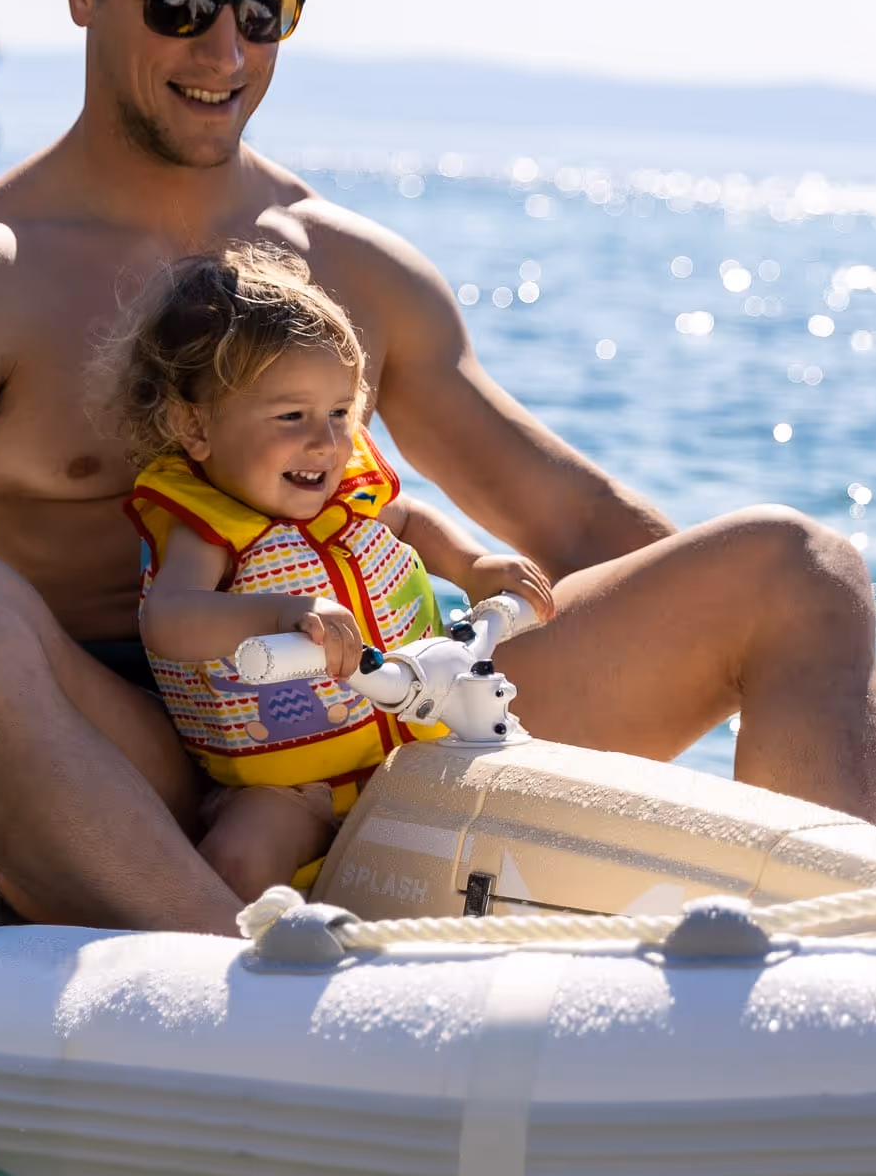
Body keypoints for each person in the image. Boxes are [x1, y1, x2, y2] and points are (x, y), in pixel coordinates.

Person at [0, 0, 876, 969]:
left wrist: (838, 694)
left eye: (261, 12)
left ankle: (847, 968)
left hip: (380, 718)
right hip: (142, 760)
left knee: (802, 566)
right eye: (179, 5)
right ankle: (232, 976)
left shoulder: (344, 266)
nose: (225, 50)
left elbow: (563, 518)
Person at [108, 242, 554, 898]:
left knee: (522, 787)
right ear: (193, 424)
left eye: (340, 413)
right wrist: (286, 612)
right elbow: (169, 620)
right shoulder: (208, 527)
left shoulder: (349, 497)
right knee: (242, 850)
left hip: (413, 754)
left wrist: (472, 563)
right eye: (292, 415)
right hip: (289, 791)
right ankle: (232, 960)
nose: (325, 441)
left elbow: (406, 519)